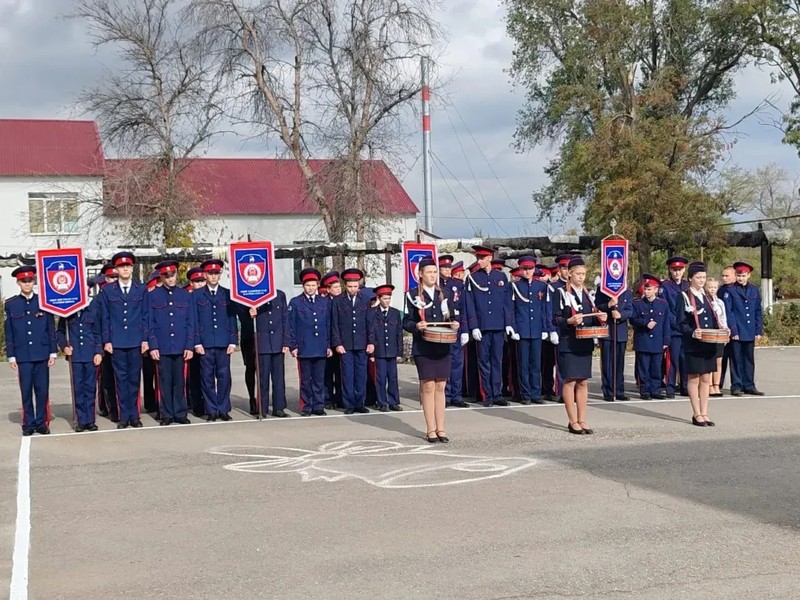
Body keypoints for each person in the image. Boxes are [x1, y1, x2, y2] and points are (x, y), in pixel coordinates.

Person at [403, 257, 460, 442]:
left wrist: (455, 324)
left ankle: (441, 429)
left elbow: (451, 315)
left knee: (441, 385)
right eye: (429, 272)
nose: (433, 275)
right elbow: (406, 321)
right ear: (420, 274)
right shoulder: (412, 295)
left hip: (442, 345)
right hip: (424, 345)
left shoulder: (444, 294)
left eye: (434, 272)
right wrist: (416, 326)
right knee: (428, 386)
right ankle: (430, 429)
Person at [551, 257, 607, 434]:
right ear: (569, 274)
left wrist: (600, 317)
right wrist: (569, 320)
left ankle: (582, 419)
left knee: (583, 381)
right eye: (578, 274)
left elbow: (591, 315)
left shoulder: (587, 294)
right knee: (570, 380)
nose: (581, 277)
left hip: (584, 341)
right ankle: (572, 420)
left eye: (583, 274)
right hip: (569, 342)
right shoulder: (560, 293)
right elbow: (555, 318)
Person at [98, 251, 148, 429]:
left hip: (135, 341)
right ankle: (123, 416)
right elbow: (105, 317)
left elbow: (145, 315)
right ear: (116, 269)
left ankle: (134, 416)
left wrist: (145, 339)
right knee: (120, 380)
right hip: (117, 342)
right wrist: (107, 340)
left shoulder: (140, 289)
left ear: (132, 268)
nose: (125, 269)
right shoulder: (107, 290)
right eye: (121, 266)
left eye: (128, 266)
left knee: (134, 380)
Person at [5, 266, 57, 436]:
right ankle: (28, 423)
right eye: (24, 281)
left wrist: (52, 352)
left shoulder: (43, 302)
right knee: (26, 390)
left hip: (41, 353)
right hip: (23, 354)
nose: (27, 284)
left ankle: (42, 422)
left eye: (30, 281)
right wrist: (11, 355)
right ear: (18, 282)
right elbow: (9, 332)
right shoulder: (11, 304)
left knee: (42, 390)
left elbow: (50, 328)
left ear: (34, 281)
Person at [146, 260, 195, 426]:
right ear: (161, 276)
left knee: (180, 381)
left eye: (172, 274)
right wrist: (153, 345)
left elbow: (190, 323)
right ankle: (166, 413)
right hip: (163, 345)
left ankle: (180, 412)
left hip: (181, 346)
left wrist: (189, 345)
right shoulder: (153, 296)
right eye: (166, 276)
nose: (170, 278)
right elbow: (149, 323)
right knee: (164, 381)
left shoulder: (185, 295)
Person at [190, 259, 237, 421]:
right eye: (210, 273)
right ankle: (211, 409)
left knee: (224, 377)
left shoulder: (227, 293)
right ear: (205, 275)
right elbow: (193, 320)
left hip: (223, 342)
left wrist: (233, 340)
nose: (214, 276)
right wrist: (196, 342)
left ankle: (223, 408)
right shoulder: (196, 295)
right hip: (205, 342)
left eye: (216, 273)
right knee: (207, 377)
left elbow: (232, 318)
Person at [465, 245, 512, 407]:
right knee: (484, 362)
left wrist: (509, 323)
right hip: (482, 325)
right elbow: (469, 303)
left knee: (497, 361)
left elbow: (506, 302)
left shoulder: (501, 277)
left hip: (498, 325)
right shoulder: (472, 278)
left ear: (490, 258)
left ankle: (497, 393)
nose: (479, 261)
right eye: (478, 258)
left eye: (482, 258)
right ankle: (487, 394)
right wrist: (474, 326)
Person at [676, 261, 720, 426]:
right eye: (698, 277)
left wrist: (722, 330)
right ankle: (696, 413)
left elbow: (714, 318)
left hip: (708, 342)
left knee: (706, 378)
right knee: (694, 378)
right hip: (693, 343)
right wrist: (691, 331)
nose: (702, 280)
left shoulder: (708, 296)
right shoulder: (684, 296)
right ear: (690, 279)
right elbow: (679, 322)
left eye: (704, 277)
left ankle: (705, 412)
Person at [57, 279, 104, 432]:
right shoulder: (67, 310)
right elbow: (60, 331)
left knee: (90, 388)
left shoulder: (93, 309)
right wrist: (64, 346)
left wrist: (98, 352)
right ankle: (80, 420)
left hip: (90, 354)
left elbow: (98, 332)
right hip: (75, 354)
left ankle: (90, 420)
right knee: (78, 388)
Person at [506, 256, 551, 404]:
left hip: (537, 330)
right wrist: (512, 327)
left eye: (530, 269)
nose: (527, 272)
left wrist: (546, 328)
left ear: (534, 269)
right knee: (523, 364)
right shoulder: (515, 286)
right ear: (520, 270)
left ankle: (536, 393)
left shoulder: (541, 287)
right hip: (522, 330)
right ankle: (525, 394)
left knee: (536, 364)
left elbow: (545, 309)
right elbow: (510, 309)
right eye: (524, 269)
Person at [288, 268, 333, 416]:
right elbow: (291, 325)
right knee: (306, 380)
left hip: (320, 345)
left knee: (319, 379)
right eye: (308, 285)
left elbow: (328, 324)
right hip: (304, 346)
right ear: (303, 286)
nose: (311, 288)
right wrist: (293, 345)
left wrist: (328, 345)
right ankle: (307, 406)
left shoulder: (324, 302)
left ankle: (319, 406)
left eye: (314, 285)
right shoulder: (295, 303)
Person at [331, 268, 373, 415]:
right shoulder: (337, 301)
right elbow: (334, 324)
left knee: (361, 374)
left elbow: (370, 322)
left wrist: (371, 342)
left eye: (355, 286)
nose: (353, 289)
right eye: (350, 286)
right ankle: (348, 403)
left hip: (361, 343)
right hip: (345, 344)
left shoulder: (365, 300)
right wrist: (337, 343)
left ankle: (359, 403)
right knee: (347, 375)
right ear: (345, 285)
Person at [723, 261, 764, 396]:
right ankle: (737, 385)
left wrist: (758, 330)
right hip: (738, 330)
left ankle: (749, 384)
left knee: (749, 359)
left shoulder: (754, 290)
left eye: (743, 275)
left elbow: (757, 310)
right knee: (736, 358)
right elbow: (729, 312)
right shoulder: (730, 291)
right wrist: (733, 330)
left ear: (749, 275)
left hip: (749, 329)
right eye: (738, 275)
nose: (741, 278)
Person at [249, 287, 290, 418]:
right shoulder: (254, 295)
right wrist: (251, 313)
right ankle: (262, 408)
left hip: (278, 341)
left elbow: (285, 319)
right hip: (262, 342)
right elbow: (245, 318)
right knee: (262, 378)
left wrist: (286, 341)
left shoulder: (280, 295)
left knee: (278, 378)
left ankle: (279, 407)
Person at [630, 275, 670, 400]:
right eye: (645, 289)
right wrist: (644, 323)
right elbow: (633, 319)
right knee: (644, 367)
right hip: (643, 340)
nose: (646, 292)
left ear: (656, 290)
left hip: (657, 341)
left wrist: (666, 340)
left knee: (656, 367)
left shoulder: (663, 304)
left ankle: (655, 389)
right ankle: (645, 390)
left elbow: (666, 323)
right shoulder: (637, 304)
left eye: (649, 289)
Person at [439, 255, 470, 408]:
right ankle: (445, 395)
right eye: (444, 267)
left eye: (448, 267)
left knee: (457, 363)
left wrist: (465, 329)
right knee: (444, 362)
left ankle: (456, 396)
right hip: (442, 328)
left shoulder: (458, 284)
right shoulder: (435, 284)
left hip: (456, 327)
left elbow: (464, 308)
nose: (446, 270)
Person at [367, 284, 403, 412]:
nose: (387, 301)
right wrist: (371, 353)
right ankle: (382, 402)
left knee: (392, 377)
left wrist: (399, 351)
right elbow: (370, 332)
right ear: (379, 298)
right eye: (384, 299)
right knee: (380, 377)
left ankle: (393, 401)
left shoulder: (395, 313)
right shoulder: (372, 313)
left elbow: (399, 333)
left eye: (388, 299)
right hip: (379, 350)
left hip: (392, 350)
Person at [595, 285, 634, 401]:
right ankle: (608, 391)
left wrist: (621, 315)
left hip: (620, 332)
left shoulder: (626, 291)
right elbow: (597, 307)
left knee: (619, 363)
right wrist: (608, 305)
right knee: (607, 363)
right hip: (607, 331)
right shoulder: (602, 289)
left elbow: (630, 310)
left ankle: (619, 390)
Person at [660, 256, 690, 398]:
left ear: (684, 270)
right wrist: (677, 323)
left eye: (679, 270)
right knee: (673, 359)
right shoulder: (665, 287)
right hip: (674, 329)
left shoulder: (687, 286)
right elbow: (666, 308)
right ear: (670, 271)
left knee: (686, 359)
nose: (677, 273)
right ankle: (670, 387)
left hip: (687, 329)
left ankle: (685, 386)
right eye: (674, 270)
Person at [96, 263, 118, 420]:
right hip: (104, 344)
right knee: (106, 378)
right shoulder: (98, 299)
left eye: (116, 277)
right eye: (111, 277)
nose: (114, 280)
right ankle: (108, 407)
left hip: (120, 341)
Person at [185, 266, 207, 417]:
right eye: (196, 281)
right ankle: (195, 404)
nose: (199, 284)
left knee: (207, 376)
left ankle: (207, 404)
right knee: (193, 376)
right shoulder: (187, 296)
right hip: (192, 342)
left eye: (201, 281)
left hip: (207, 341)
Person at [321, 271, 343, 410]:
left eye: (339, 287)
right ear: (328, 289)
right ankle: (327, 398)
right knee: (327, 373)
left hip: (341, 342)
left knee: (341, 373)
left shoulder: (343, 301)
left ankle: (340, 398)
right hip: (327, 342)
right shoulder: (324, 303)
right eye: (335, 287)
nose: (338, 289)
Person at [142, 270, 161, 417]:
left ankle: (160, 403)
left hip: (160, 344)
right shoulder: (145, 299)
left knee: (162, 377)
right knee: (148, 376)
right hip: (145, 345)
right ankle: (150, 403)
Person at [705, 277, 727, 398]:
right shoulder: (704, 301)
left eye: (714, 287)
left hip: (719, 333)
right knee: (710, 361)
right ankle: (708, 386)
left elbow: (723, 318)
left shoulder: (720, 302)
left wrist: (726, 330)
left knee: (719, 361)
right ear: (706, 288)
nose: (712, 289)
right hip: (709, 333)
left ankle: (716, 385)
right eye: (710, 287)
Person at [719, 266, 737, 391]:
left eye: (727, 276)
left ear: (734, 276)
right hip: (723, 329)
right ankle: (717, 384)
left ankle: (736, 384)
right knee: (721, 359)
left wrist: (734, 329)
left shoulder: (737, 290)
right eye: (723, 276)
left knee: (735, 359)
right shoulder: (721, 290)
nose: (724, 278)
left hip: (734, 329)